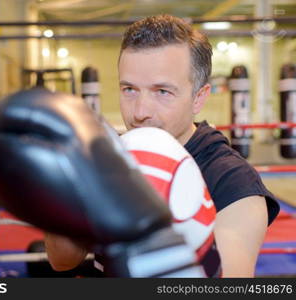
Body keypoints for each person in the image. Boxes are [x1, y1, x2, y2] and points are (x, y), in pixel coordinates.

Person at [45, 15, 280, 277]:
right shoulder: (113, 157)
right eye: (130, 89)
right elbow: (62, 260)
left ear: (198, 98)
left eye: (162, 92)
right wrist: (63, 189)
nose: (140, 112)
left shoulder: (233, 182)